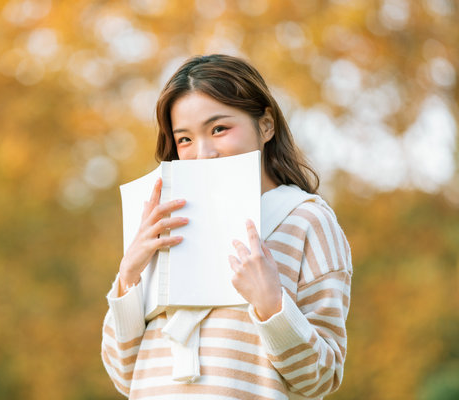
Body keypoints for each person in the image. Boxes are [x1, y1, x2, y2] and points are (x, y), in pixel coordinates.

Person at [101, 54, 353, 400]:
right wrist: (129, 275)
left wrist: (270, 303)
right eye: (185, 140)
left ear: (266, 125)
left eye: (219, 129)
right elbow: (124, 375)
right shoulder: (162, 223)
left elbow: (319, 380)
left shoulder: (307, 220)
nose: (203, 153)